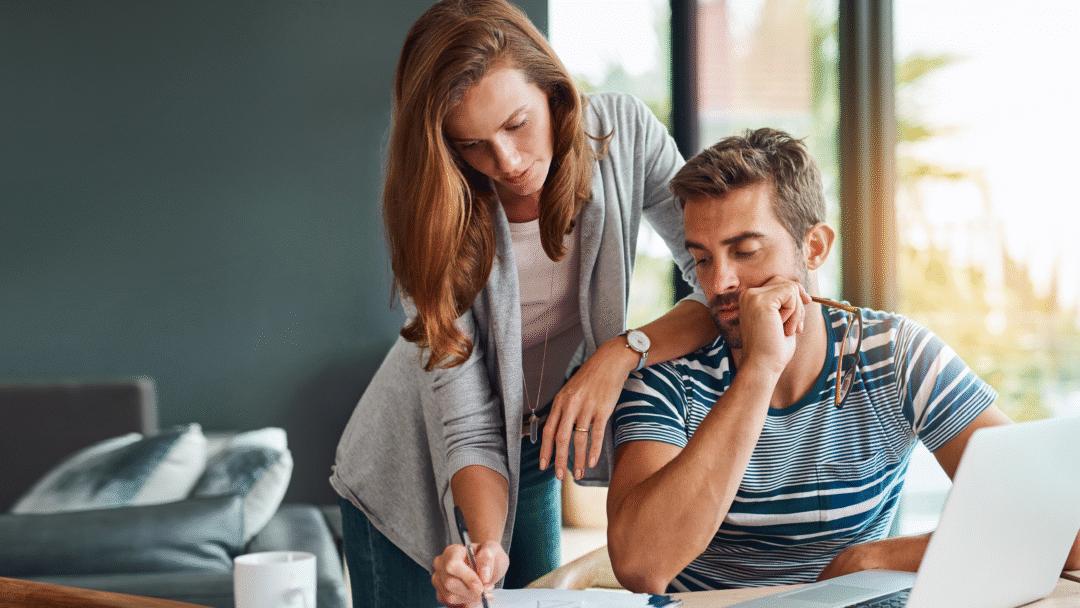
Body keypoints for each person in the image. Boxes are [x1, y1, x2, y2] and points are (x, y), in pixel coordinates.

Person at [329, 1, 717, 606]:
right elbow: (464, 420)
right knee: (485, 584)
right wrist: (484, 549)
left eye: (516, 124)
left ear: (554, 92)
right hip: (409, 466)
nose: (506, 164)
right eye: (472, 145)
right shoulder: (434, 215)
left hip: (533, 446)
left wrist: (623, 352)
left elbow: (715, 279)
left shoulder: (624, 135)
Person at [605, 127, 1080, 593]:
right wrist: (760, 370)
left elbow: (1063, 529)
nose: (720, 281)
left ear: (814, 248)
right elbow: (641, 566)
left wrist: (874, 557)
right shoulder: (666, 375)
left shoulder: (893, 355)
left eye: (745, 250)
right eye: (702, 258)